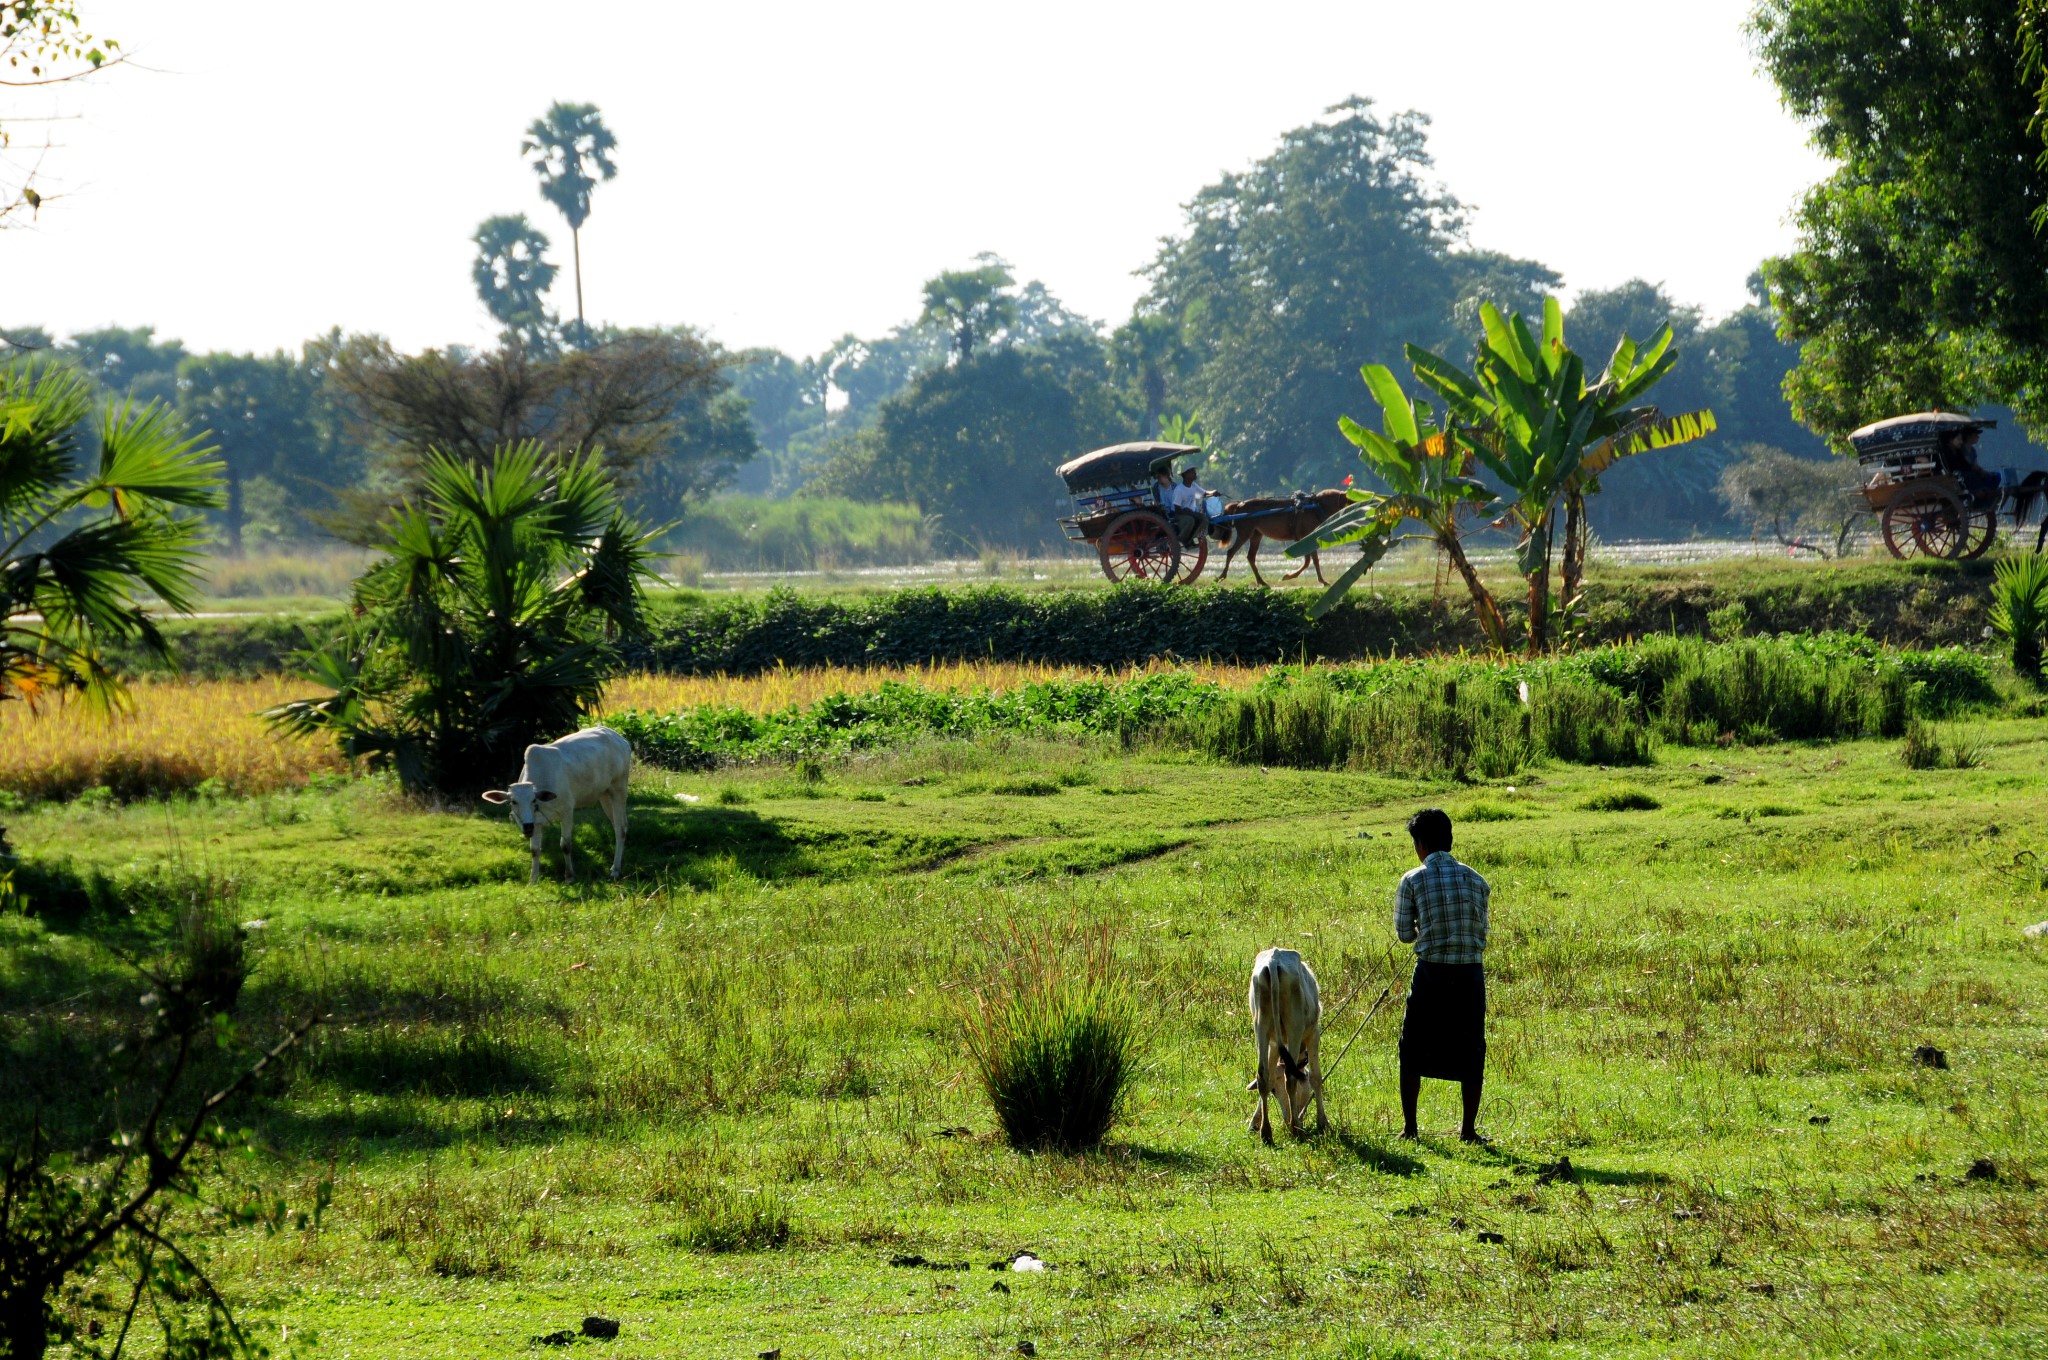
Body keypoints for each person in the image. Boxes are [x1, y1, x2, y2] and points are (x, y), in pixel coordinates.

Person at [1393, 807, 1490, 1142]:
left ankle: (1411, 1128)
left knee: (1412, 1048)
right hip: (1470, 976)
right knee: (1472, 1048)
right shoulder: (1478, 880)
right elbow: (1482, 932)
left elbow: (1405, 934)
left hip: (1431, 975)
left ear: (1420, 845)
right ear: (1449, 841)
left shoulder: (1412, 880)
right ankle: (1468, 1130)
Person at [1170, 465, 1212, 544]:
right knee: (1190, 520)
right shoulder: (1179, 489)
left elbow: (1204, 493)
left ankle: (1191, 538)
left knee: (1204, 519)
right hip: (1179, 515)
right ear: (1186, 475)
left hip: (1190, 513)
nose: (1195, 473)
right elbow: (1177, 509)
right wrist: (1189, 513)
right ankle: (1181, 539)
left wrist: (1213, 493)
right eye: (1192, 472)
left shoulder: (1193, 485)